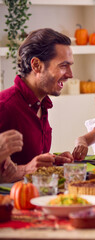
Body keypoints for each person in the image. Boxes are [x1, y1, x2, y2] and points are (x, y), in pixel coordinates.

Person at [0, 28, 74, 180]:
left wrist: (52, 161)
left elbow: (27, 160)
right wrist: (26, 169)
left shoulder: (42, 104)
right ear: (36, 65)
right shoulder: (4, 106)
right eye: (63, 66)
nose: (70, 74)